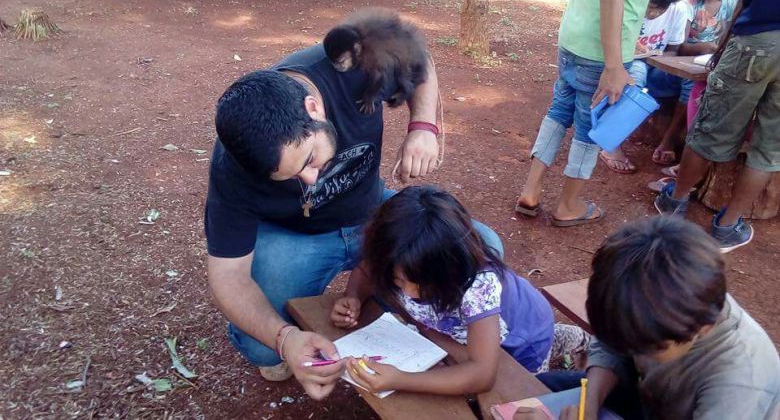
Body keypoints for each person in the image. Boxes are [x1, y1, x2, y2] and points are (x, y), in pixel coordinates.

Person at [205, 43, 504, 400]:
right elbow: (228, 276)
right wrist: (286, 340)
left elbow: (417, 57)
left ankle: (395, 302)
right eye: (290, 176)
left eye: (310, 159)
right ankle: (386, 298)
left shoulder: (351, 66)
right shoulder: (232, 166)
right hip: (297, 237)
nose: (311, 181)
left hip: (371, 212)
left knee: (480, 249)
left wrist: (423, 126)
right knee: (263, 349)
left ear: (313, 109)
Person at [330, 186, 589, 395]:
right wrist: (352, 296)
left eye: (422, 285)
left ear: (452, 268)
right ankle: (566, 337)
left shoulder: (478, 286)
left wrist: (401, 379)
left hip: (523, 338)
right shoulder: (396, 256)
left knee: (516, 395)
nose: (410, 294)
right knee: (461, 361)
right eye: (399, 282)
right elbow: (366, 271)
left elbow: (482, 375)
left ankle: (576, 341)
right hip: (469, 333)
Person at [518, 216, 780, 419]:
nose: (635, 354)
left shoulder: (739, 385)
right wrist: (591, 402)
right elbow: (613, 344)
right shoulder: (656, 302)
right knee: (538, 388)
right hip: (647, 400)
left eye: (643, 349)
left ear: (702, 329)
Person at [654, 0, 779, 252]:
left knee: (710, 128)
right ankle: (727, 227)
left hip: (758, 41)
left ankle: (675, 200)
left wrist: (721, 49)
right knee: (769, 150)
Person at [515, 0, 652, 227]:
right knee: (591, 130)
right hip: (602, 53)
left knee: (559, 111)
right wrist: (613, 65)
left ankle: (531, 190)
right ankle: (568, 205)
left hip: (574, 38)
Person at [600, 0, 689, 173]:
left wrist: (654, 55)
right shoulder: (631, 1)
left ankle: (669, 140)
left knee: (689, 83)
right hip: (632, 61)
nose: (651, 13)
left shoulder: (679, 9)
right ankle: (612, 144)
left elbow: (673, 50)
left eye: (657, 8)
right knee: (636, 76)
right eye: (649, 6)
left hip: (659, 64)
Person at [650, 0, 737, 167]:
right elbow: (678, 46)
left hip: (707, 66)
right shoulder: (689, 5)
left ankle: (695, 151)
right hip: (677, 68)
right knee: (692, 84)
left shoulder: (730, 4)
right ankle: (671, 138)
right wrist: (701, 48)